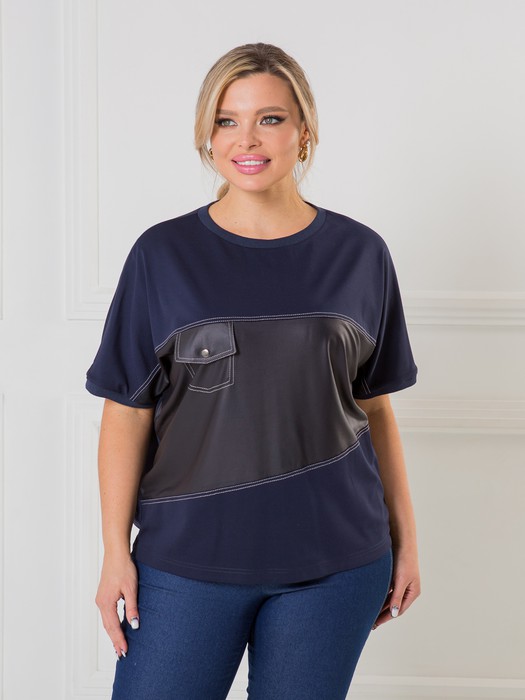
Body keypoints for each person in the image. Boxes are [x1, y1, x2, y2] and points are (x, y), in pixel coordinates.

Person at [86, 42, 421, 700]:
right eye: (226, 120)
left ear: (304, 131)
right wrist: (114, 552)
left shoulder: (360, 254)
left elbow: (375, 408)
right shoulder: (163, 255)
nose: (246, 139)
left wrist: (407, 542)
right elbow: (126, 411)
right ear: (206, 136)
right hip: (185, 564)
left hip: (336, 565)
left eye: (270, 118)